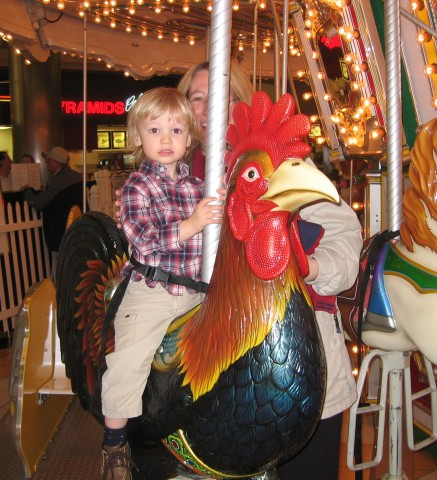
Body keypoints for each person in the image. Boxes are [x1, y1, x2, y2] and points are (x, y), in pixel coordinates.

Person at [180, 62, 362, 480]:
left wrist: (309, 266)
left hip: (294, 361)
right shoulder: (175, 173)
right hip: (215, 372)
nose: (209, 109)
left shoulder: (276, 161)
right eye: (197, 98)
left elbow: (343, 231)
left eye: (221, 97)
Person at [100, 87, 223, 480]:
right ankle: (114, 443)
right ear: (138, 137)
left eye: (176, 130)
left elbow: (213, 243)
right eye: (155, 130)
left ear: (190, 138)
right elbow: (147, 242)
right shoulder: (137, 186)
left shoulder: (197, 189)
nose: (166, 139)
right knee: (128, 361)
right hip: (151, 291)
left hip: (195, 294)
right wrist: (195, 223)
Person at [22, 146, 84, 254]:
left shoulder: (59, 180)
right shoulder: (75, 176)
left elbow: (39, 203)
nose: (46, 162)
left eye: (49, 159)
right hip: (75, 232)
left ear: (56, 162)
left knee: (61, 265)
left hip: (61, 234)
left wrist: (27, 192)